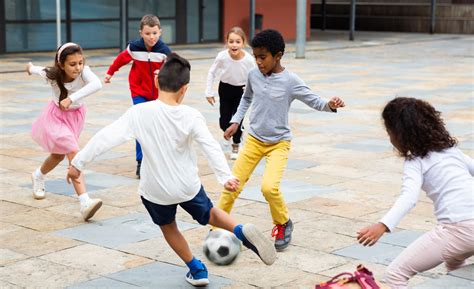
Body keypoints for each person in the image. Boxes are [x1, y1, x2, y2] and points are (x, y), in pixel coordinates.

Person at [67, 53, 277, 287]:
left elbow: (105, 137)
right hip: (187, 186)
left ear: (157, 82)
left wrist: (78, 164)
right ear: (184, 89)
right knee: (210, 214)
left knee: (169, 227)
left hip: (155, 190)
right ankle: (239, 230)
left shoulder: (139, 113)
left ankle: (197, 270)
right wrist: (225, 176)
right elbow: (210, 146)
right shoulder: (191, 115)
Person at [218, 29, 345, 251]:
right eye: (256, 56)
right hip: (254, 140)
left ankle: (283, 223)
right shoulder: (253, 75)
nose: (258, 62)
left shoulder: (291, 81)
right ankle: (217, 226)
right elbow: (246, 99)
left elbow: (313, 100)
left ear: (278, 55)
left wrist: (330, 104)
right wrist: (236, 121)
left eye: (263, 57)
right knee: (232, 185)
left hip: (278, 143)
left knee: (269, 188)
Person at [357, 97, 474, 289]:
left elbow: (409, 198)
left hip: (458, 229)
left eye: (389, 132)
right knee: (454, 262)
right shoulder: (451, 151)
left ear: (399, 134)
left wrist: (383, 225)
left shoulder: (416, 161)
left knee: (395, 275)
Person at [27, 42, 103, 221]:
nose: (78, 67)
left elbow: (97, 84)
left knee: (58, 156)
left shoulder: (84, 71)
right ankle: (84, 201)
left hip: (75, 117)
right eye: (72, 64)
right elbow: (36, 70)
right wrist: (29, 67)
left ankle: (38, 175)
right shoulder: (52, 74)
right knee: (73, 153)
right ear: (61, 64)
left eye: (80, 62)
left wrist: (72, 98)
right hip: (55, 118)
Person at [104, 14, 171, 179]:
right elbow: (120, 59)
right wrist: (109, 73)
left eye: (155, 33)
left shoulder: (164, 51)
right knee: (141, 126)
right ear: (141, 33)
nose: (151, 37)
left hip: (158, 94)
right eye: (147, 33)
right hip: (139, 92)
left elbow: (174, 67)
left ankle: (157, 160)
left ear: (160, 32)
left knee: (157, 127)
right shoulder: (134, 48)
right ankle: (141, 162)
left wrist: (162, 73)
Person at [205, 26, 256, 160]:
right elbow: (212, 72)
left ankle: (236, 143)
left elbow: (256, 75)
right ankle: (228, 131)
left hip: (241, 92)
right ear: (227, 42)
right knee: (224, 121)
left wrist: (250, 87)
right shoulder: (222, 56)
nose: (234, 45)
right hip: (225, 89)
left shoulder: (249, 60)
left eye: (238, 42)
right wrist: (208, 92)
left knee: (237, 119)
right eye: (231, 41)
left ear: (243, 43)